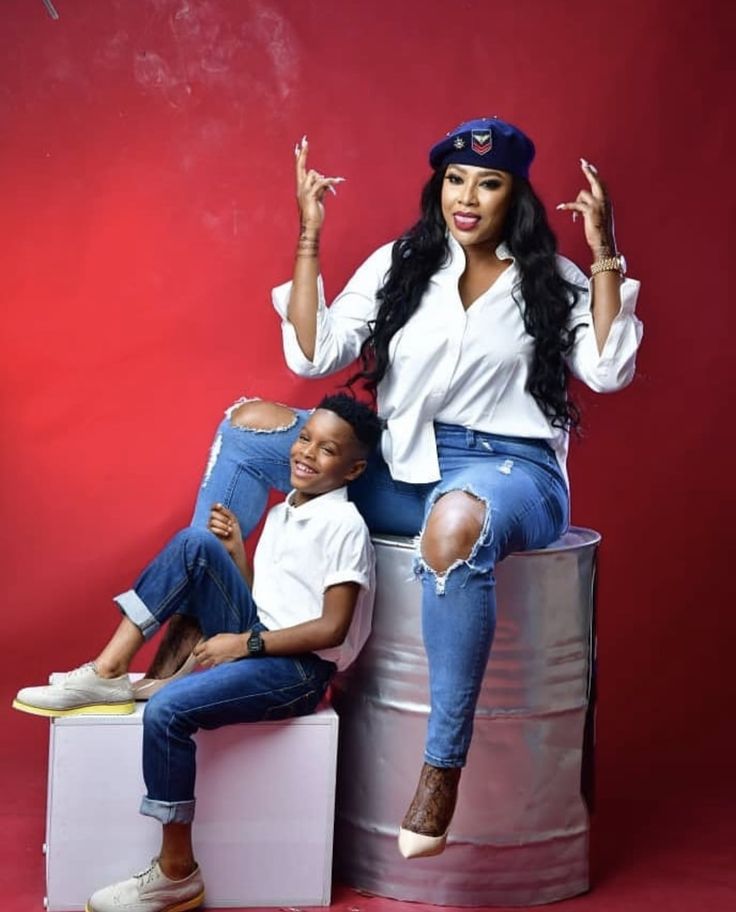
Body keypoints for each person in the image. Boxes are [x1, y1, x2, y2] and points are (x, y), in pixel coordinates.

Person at [188, 116, 643, 861]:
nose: (467, 197)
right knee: (248, 426)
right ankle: (206, 628)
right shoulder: (404, 261)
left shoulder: (550, 279)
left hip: (510, 470)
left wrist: (602, 254)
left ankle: (441, 765)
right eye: (456, 179)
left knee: (456, 522)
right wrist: (310, 235)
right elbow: (312, 353)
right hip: (404, 465)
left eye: (488, 183)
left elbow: (608, 368)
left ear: (514, 196)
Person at [13, 393, 380, 912]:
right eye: (304, 439)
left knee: (167, 712)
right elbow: (268, 604)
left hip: (300, 670)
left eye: (327, 450)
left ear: (353, 468)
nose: (305, 452)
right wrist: (235, 559)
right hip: (264, 638)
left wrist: (245, 644)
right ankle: (108, 670)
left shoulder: (345, 526)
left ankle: (175, 873)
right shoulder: (282, 515)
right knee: (195, 542)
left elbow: (332, 626)